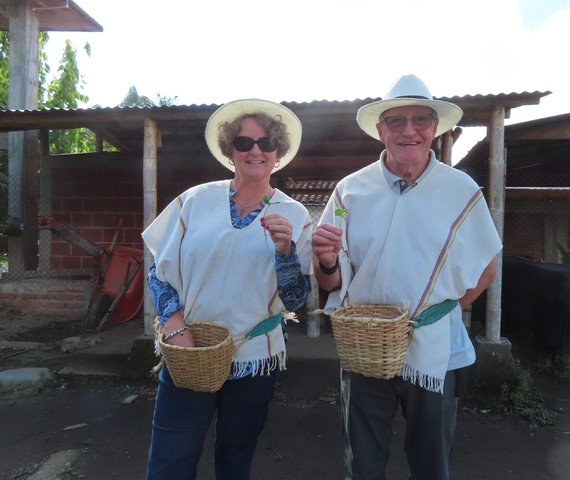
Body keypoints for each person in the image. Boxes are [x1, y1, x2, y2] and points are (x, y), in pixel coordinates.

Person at [311, 74, 502, 480]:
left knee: (431, 463)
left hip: (435, 351)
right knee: (362, 464)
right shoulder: (349, 192)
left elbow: (487, 268)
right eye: (396, 121)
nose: (409, 130)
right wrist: (326, 260)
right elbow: (330, 282)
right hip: (366, 350)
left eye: (420, 119)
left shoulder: (461, 190)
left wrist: (432, 315)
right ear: (381, 131)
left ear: (435, 128)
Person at [142, 99, 313, 480]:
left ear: (278, 151)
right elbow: (158, 270)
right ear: (229, 149)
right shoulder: (195, 201)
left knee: (235, 461)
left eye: (267, 143)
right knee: (170, 461)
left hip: (254, 356)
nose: (256, 150)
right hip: (189, 351)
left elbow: (296, 300)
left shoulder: (295, 214)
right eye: (244, 142)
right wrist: (174, 327)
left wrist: (285, 252)